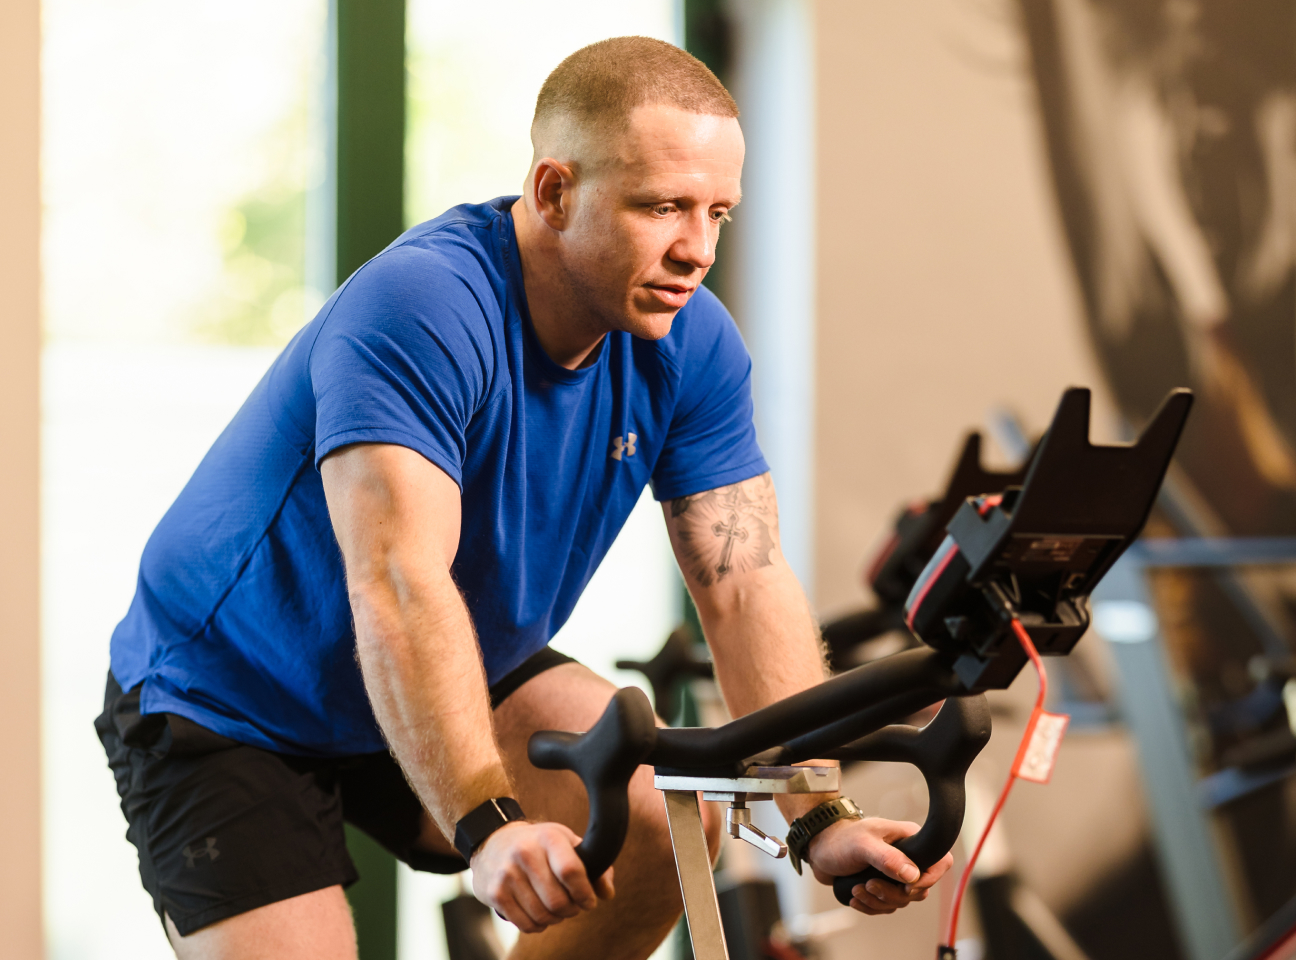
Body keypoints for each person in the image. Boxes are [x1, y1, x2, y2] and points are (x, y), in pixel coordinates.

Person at [96, 36, 952, 960]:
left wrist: (817, 811)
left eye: (717, 213)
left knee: (666, 825)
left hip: (458, 654)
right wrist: (486, 822)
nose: (695, 249)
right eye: (662, 206)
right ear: (552, 193)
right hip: (231, 698)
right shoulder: (423, 309)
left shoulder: (690, 341)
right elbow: (400, 580)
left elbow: (742, 577)